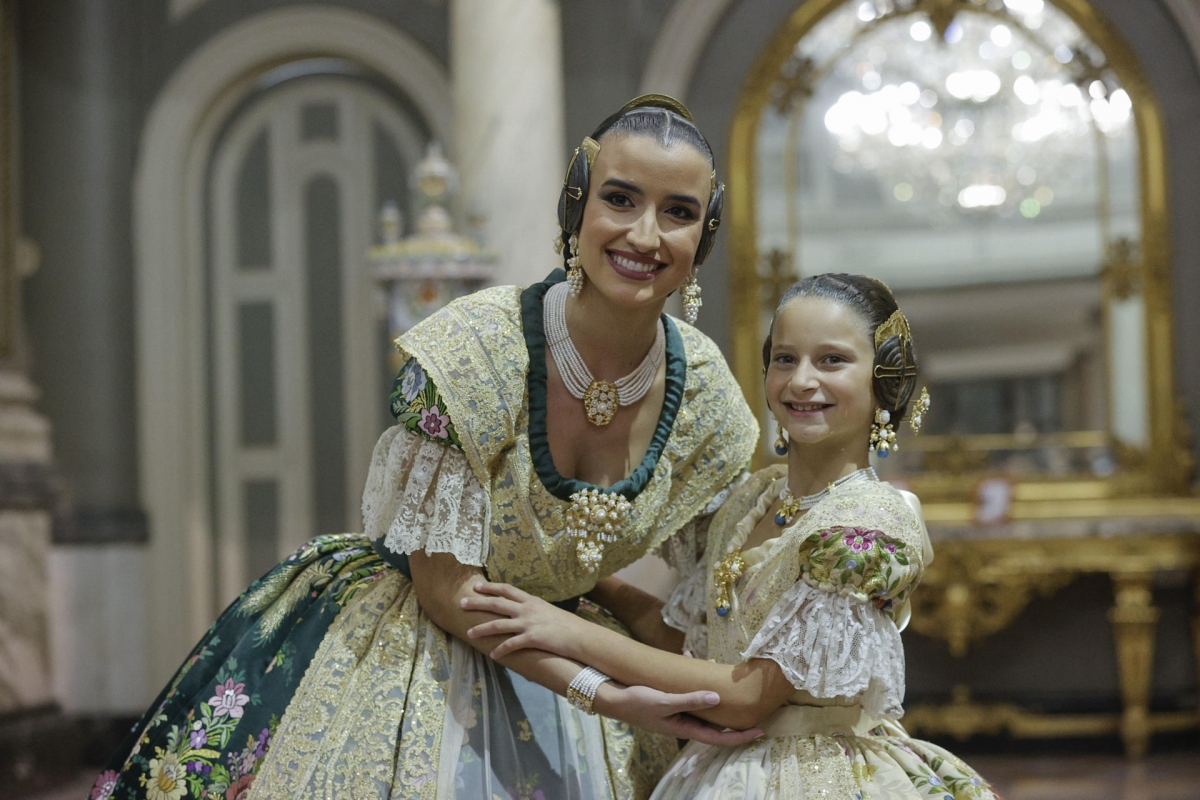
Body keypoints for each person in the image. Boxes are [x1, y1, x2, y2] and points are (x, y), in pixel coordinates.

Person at [89, 95, 760, 800]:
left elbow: (718, 593)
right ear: (576, 209)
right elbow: (448, 592)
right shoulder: (479, 348)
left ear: (705, 236)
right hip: (416, 633)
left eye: (679, 212)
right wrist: (601, 690)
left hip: (569, 641)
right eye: (620, 200)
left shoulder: (707, 390)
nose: (645, 235)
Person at [463, 274, 999, 799]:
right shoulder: (751, 499)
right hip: (712, 768)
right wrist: (582, 584)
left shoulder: (865, 525)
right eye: (785, 358)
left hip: (814, 775)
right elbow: (695, 647)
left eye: (832, 360)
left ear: (884, 381)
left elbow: (746, 697)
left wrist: (566, 632)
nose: (801, 380)